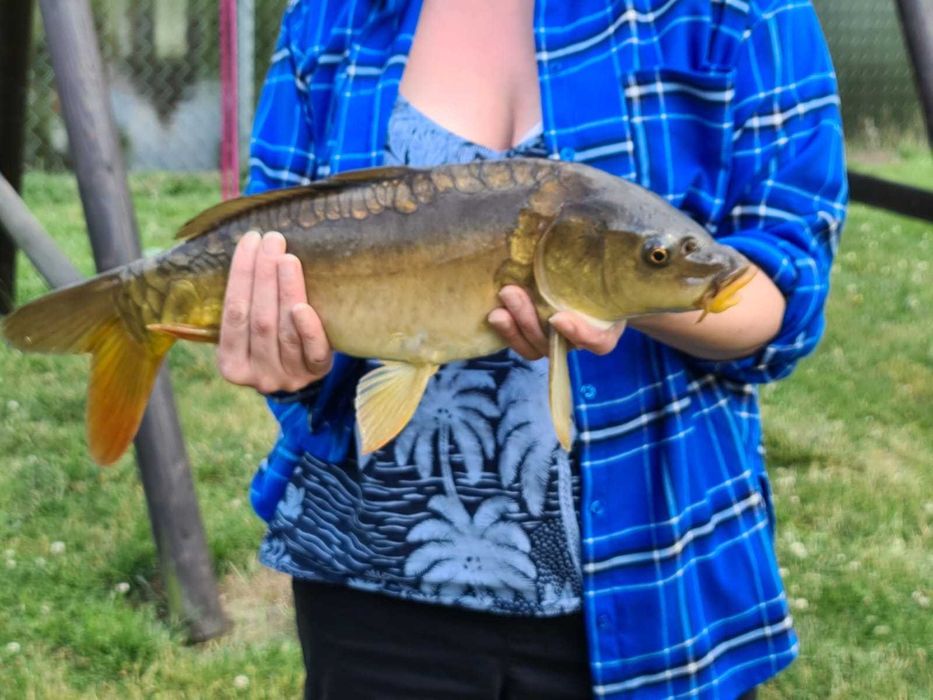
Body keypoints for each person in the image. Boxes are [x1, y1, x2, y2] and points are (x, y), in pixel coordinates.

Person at [218, 1, 847, 697]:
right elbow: (272, 247)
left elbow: (787, 283)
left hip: (657, 577)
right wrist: (286, 364)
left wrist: (622, 299)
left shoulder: (739, 12)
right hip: (370, 583)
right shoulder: (329, 14)